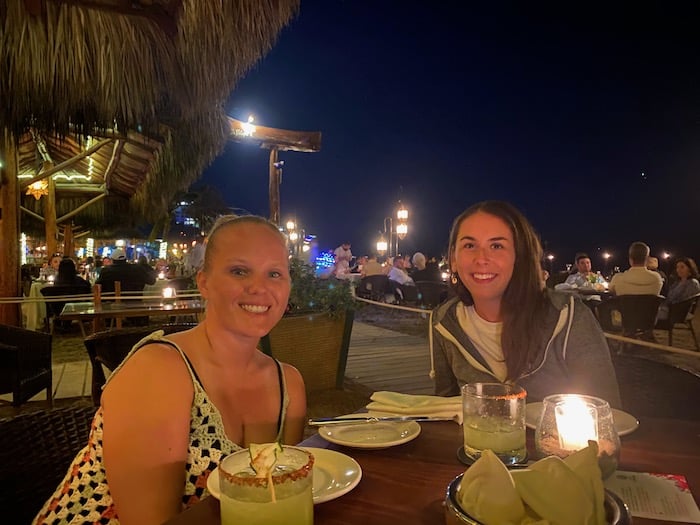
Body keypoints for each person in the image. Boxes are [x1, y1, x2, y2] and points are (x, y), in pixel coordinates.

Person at [35, 215, 307, 524]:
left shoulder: (289, 386)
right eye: (239, 271)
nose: (259, 287)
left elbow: (279, 502)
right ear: (203, 282)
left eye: (275, 273)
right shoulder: (160, 371)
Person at [431, 200, 621, 407]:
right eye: (469, 245)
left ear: (519, 256)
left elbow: (606, 411)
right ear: (453, 259)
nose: (482, 258)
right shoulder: (444, 321)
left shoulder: (568, 315)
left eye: (496, 246)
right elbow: (444, 409)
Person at [597, 242, 663, 331]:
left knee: (603, 306)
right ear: (647, 259)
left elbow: (610, 290)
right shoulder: (657, 278)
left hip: (627, 318)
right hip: (648, 319)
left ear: (630, 259)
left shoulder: (619, 278)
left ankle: (609, 331)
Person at [656, 257, 700, 321]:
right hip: (669, 308)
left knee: (649, 314)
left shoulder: (692, 283)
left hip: (675, 312)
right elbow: (669, 296)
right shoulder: (678, 282)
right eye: (677, 267)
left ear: (690, 268)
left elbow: (683, 301)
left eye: (682, 267)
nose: (678, 270)